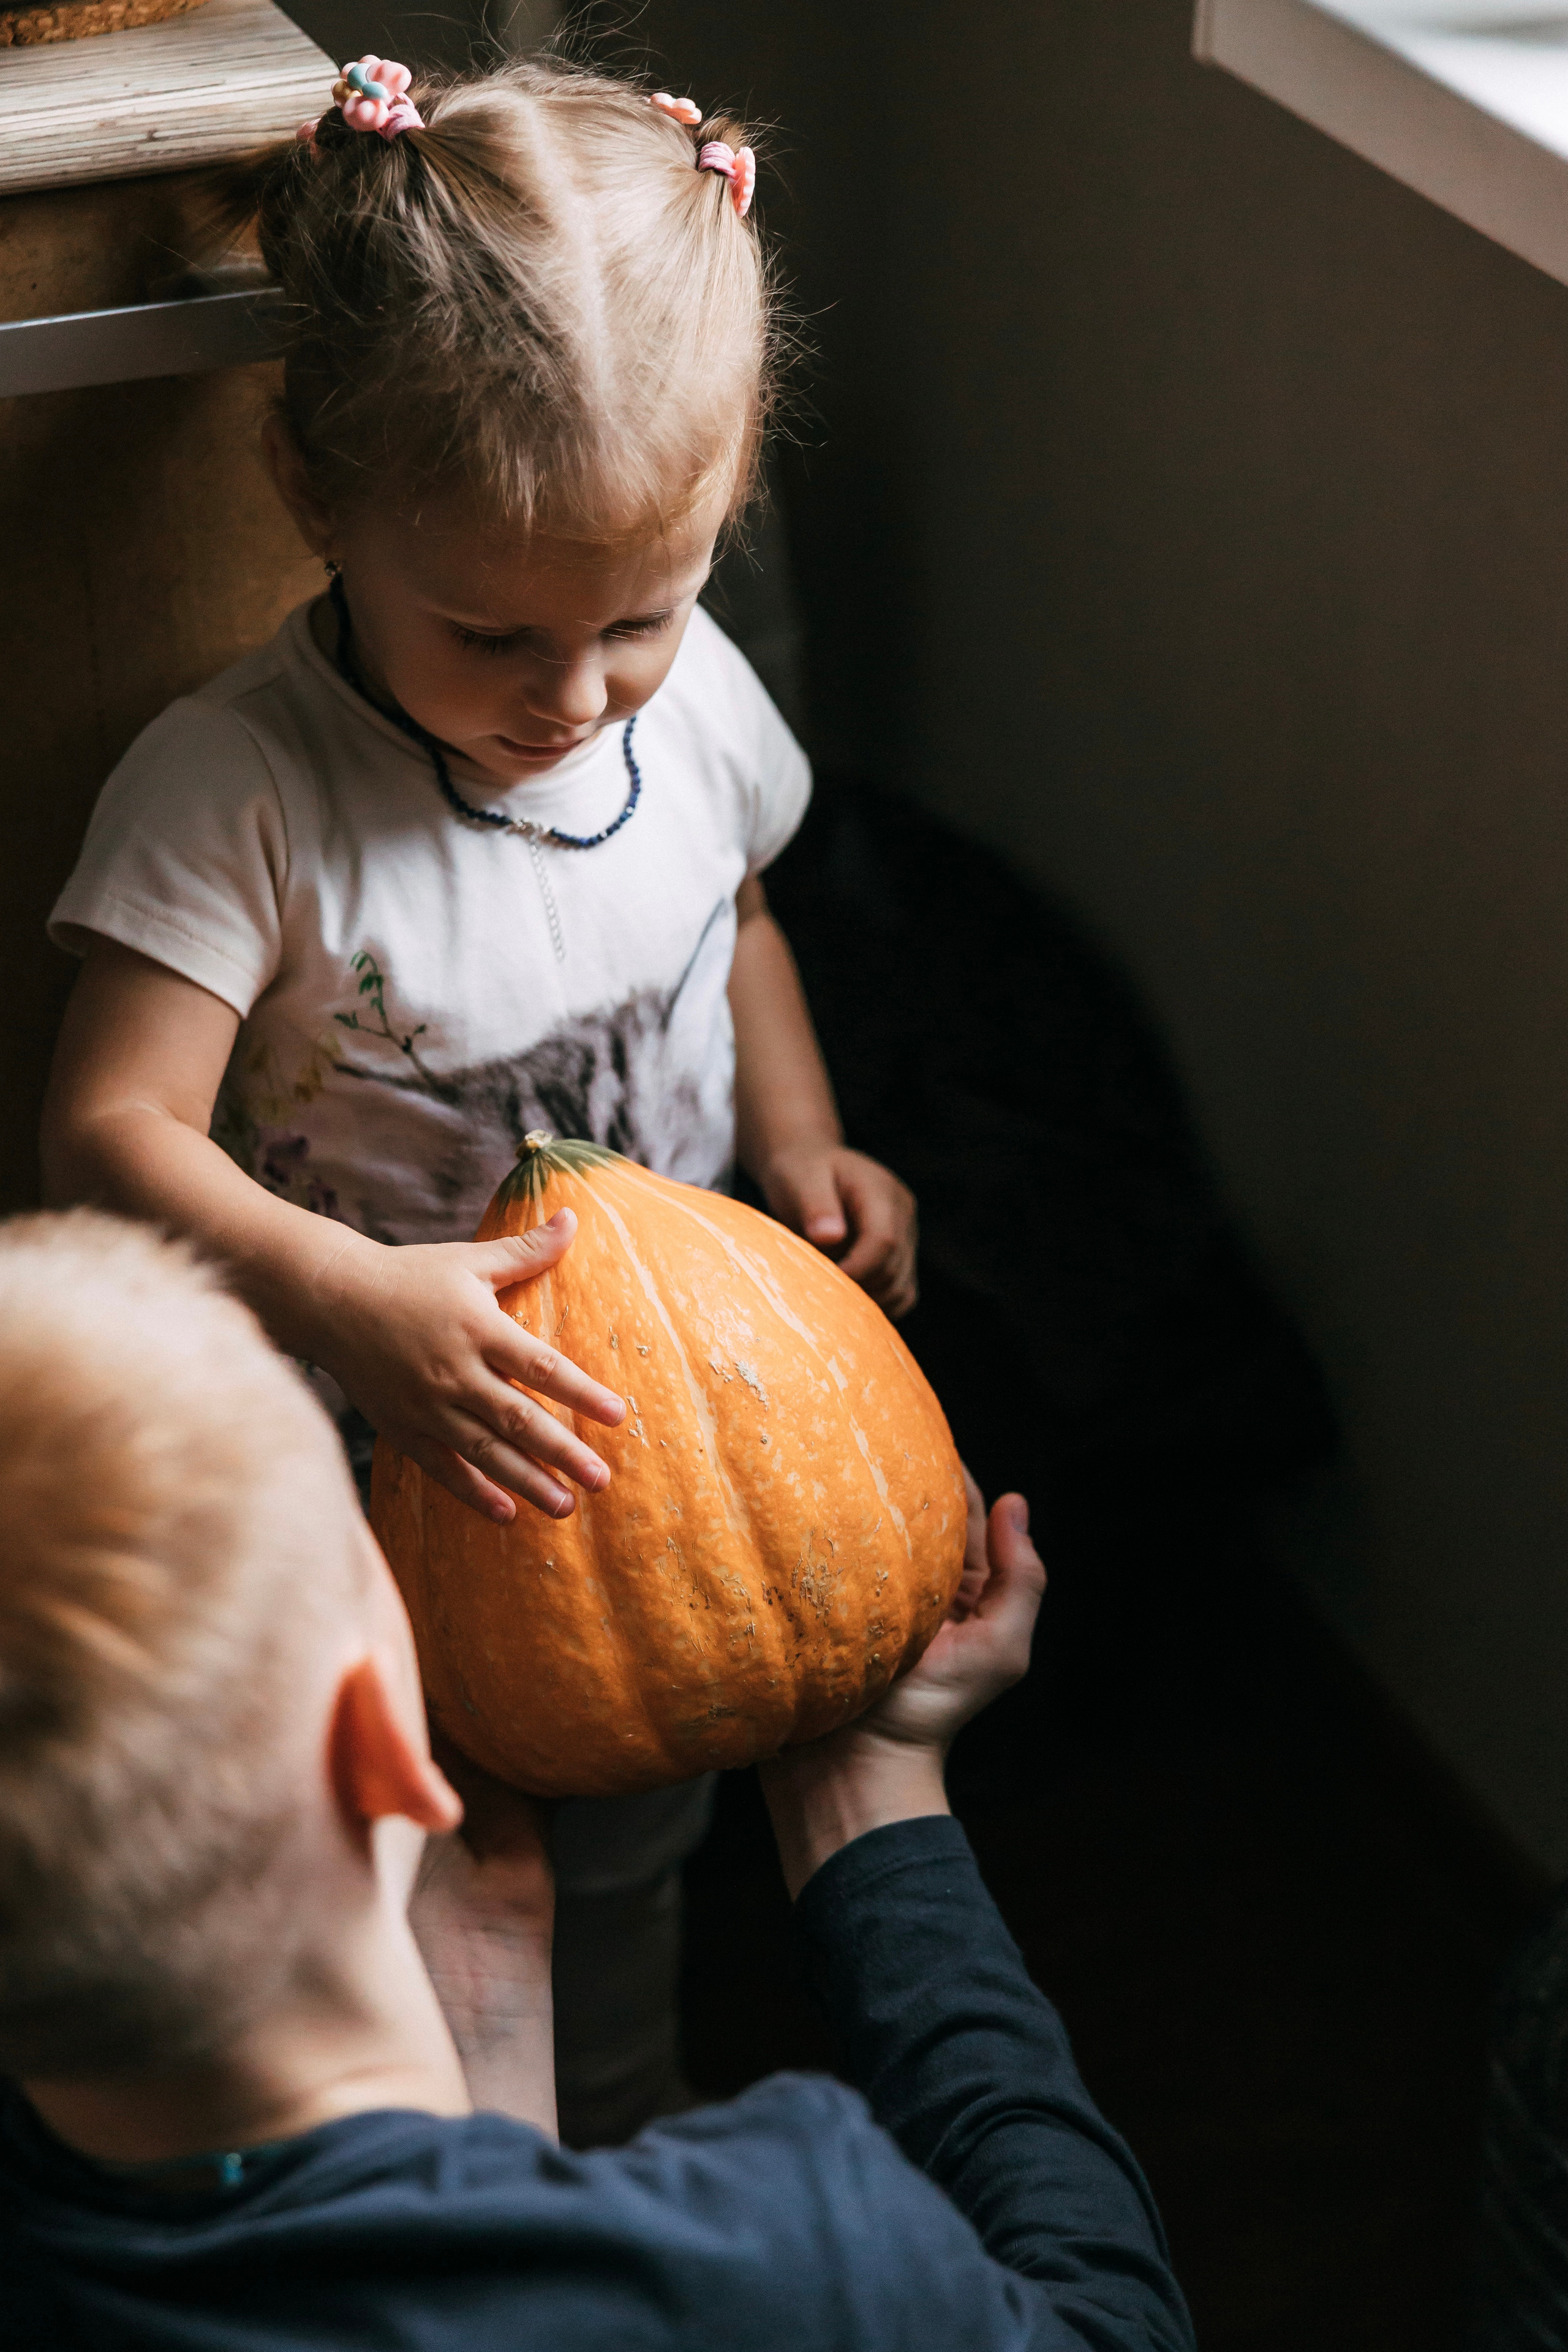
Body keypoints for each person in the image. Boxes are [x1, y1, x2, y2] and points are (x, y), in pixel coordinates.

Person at [38, 55, 917, 2143]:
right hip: (346, 1466)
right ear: (313, 490)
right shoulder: (235, 791)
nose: (577, 694)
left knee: (633, 1830)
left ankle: (616, 2116)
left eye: (642, 610)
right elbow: (108, 1137)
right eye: (494, 632)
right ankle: (444, 2164)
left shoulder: (687, 711)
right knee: (402, 1867)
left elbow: (744, 922)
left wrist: (794, 1140)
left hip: (626, 1462)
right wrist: (349, 1298)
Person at [0, 1210, 1194, 2351]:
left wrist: (496, 2012)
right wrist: (873, 1800)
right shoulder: (785, 2257)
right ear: (377, 1741)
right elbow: (1110, 2326)